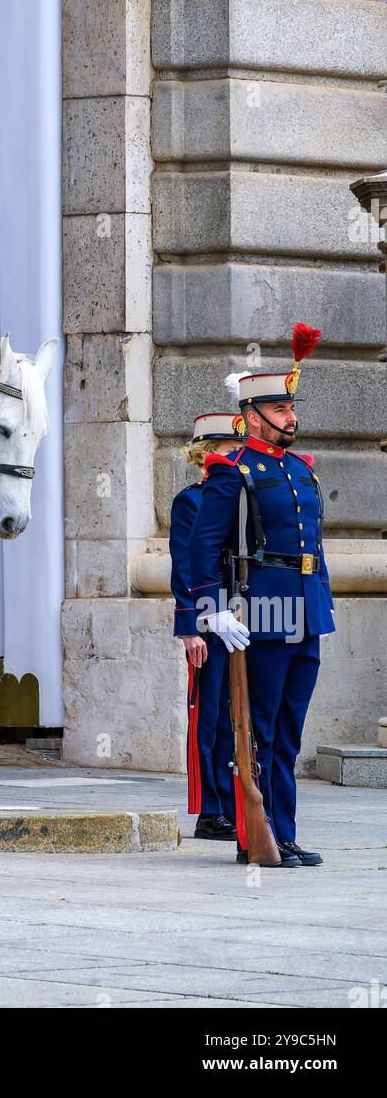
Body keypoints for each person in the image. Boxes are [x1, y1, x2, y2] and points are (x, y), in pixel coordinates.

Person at [187, 324, 334, 867]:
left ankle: (286, 834)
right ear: (252, 416)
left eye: (291, 408)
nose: (292, 417)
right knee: (262, 731)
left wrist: (325, 597)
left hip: (306, 611)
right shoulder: (233, 470)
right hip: (263, 613)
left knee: (290, 733)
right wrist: (212, 611)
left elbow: (314, 545)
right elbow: (204, 548)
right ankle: (258, 834)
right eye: (280, 409)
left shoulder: (300, 471)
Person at [171, 413, 244, 842]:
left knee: (241, 714)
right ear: (207, 454)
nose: (238, 456)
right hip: (207, 621)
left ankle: (236, 799)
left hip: (248, 617)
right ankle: (210, 809)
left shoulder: (243, 499)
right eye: (230, 451)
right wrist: (190, 628)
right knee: (210, 715)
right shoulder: (192, 500)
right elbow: (185, 565)